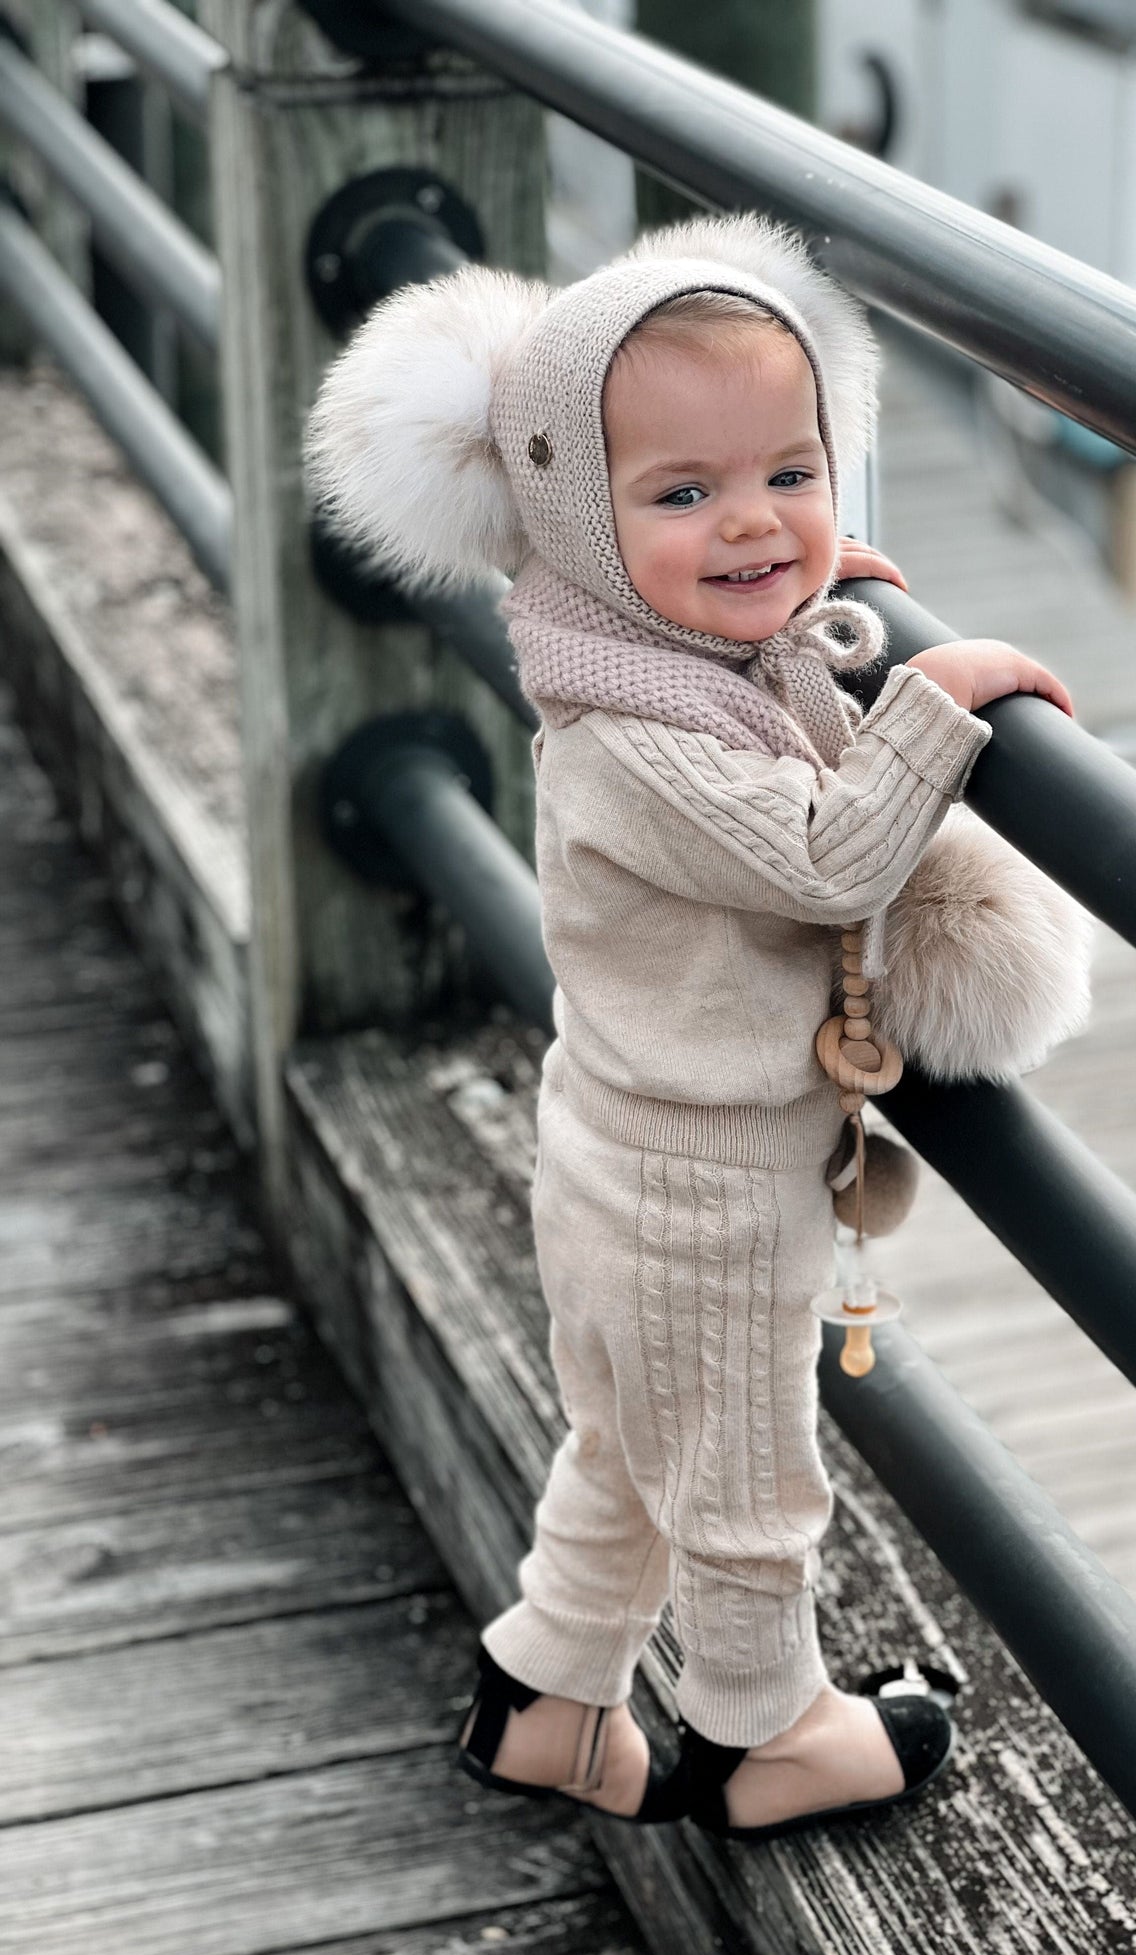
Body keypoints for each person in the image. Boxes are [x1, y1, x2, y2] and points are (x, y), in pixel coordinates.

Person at [305, 213, 1090, 1839]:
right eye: (682, 496)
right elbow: (824, 855)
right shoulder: (631, 742)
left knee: (629, 1448)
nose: (750, 522)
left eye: (792, 475)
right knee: (743, 1479)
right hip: (700, 1190)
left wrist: (809, 598)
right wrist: (939, 702)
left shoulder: (639, 654)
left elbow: (743, 664)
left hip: (624, 1156)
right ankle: (764, 1735)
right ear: (571, 521)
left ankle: (546, 1697)